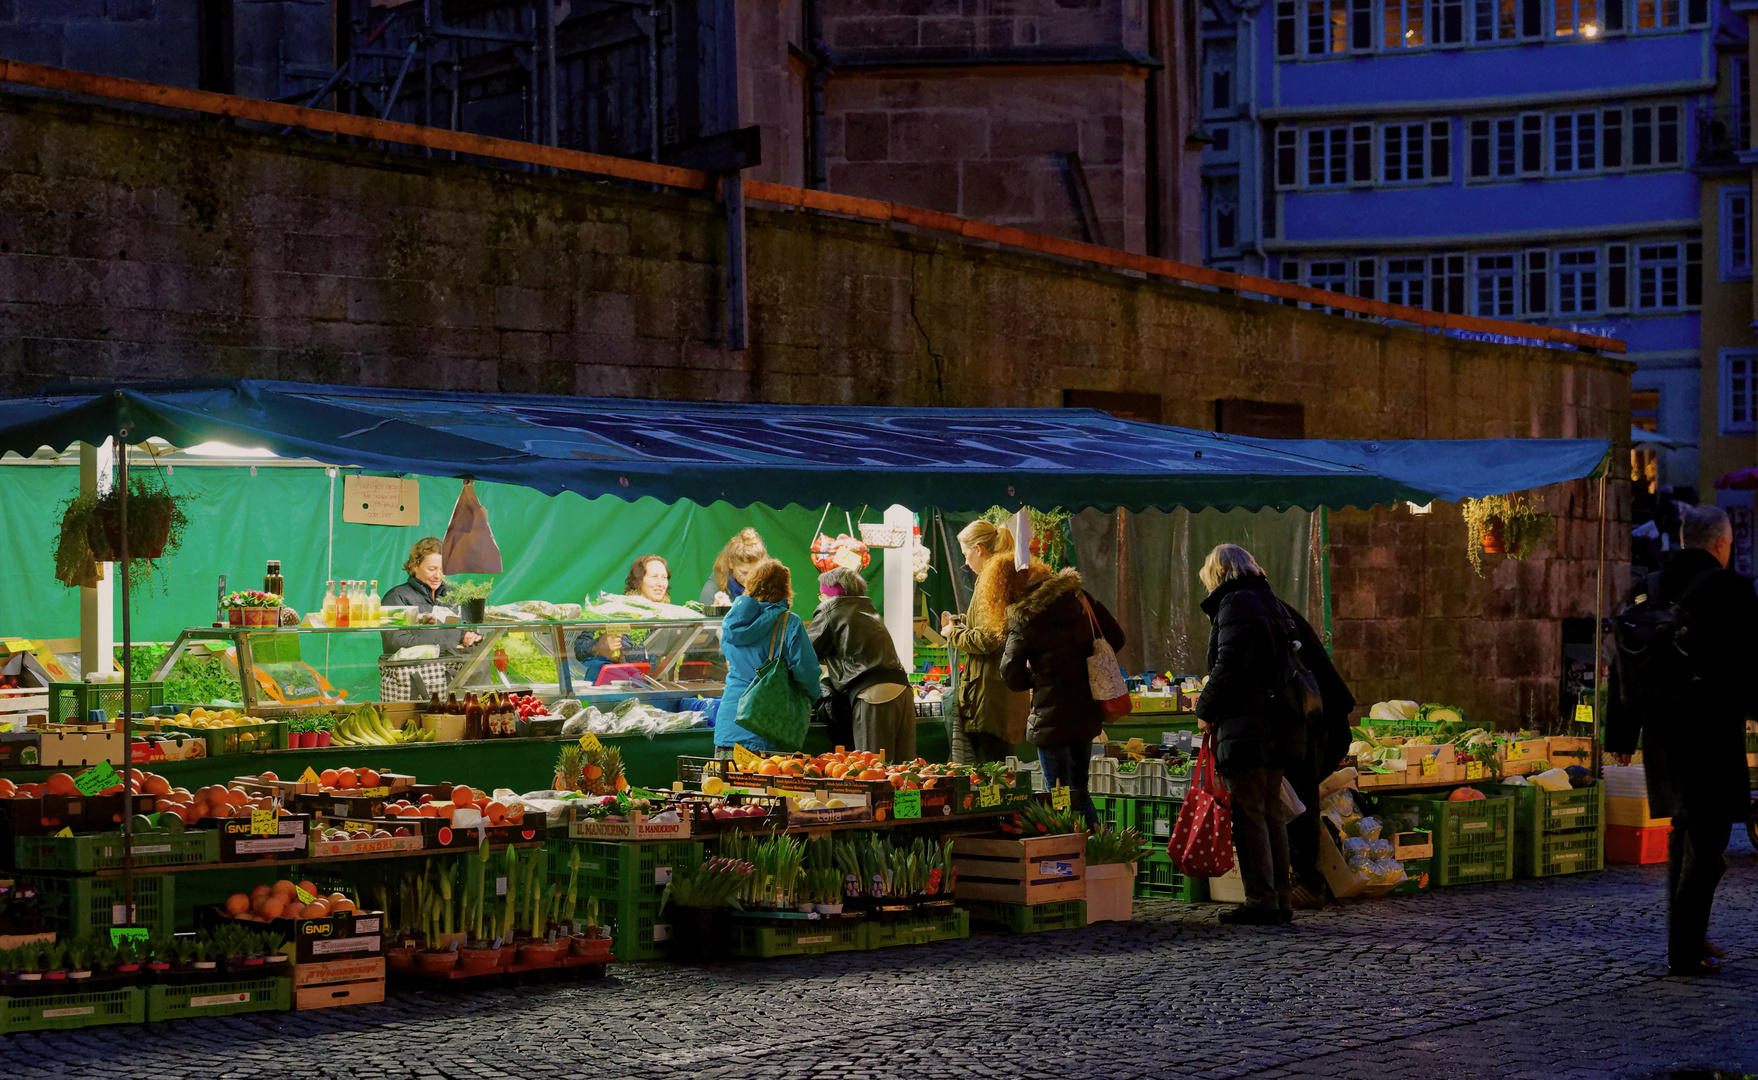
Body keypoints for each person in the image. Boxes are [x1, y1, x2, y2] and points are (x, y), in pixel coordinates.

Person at [1606, 505, 1758, 976]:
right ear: (1720, 543)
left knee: (1683, 832)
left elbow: (1623, 662)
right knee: (1709, 845)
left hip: (1661, 735)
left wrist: (1621, 733)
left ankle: (1685, 936)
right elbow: (1751, 663)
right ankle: (1684, 948)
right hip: (1711, 736)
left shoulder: (1649, 588)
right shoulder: (1732, 590)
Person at [1195, 543, 1304, 926]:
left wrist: (1204, 708)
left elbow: (1230, 666)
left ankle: (1261, 899)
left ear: (1220, 572)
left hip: (1247, 725)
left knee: (1251, 815)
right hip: (1277, 724)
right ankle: (1279, 897)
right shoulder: (1270, 601)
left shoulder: (1235, 604)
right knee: (1270, 812)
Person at [1000, 564, 1124, 830]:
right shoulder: (1080, 599)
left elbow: (1009, 672)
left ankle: (1067, 856)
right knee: (1080, 790)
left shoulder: (1025, 615)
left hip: (1050, 715)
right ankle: (1093, 853)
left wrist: (1037, 678)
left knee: (1059, 795)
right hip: (1085, 710)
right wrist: (1086, 662)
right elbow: (1117, 637)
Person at [1281, 604, 1354, 910]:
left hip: (1310, 717)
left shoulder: (1253, 609)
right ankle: (1307, 880)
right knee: (1300, 795)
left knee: (1299, 795)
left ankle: (1309, 882)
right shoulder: (1272, 605)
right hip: (1314, 714)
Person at [941, 521, 1031, 763]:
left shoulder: (991, 582)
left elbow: (987, 639)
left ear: (979, 549)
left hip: (988, 698)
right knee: (1000, 772)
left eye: (966, 554)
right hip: (1004, 695)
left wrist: (953, 632)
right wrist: (963, 624)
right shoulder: (1008, 576)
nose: (966, 562)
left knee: (990, 779)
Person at [713, 559, 822, 754]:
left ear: (751, 584)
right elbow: (807, 672)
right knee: (767, 783)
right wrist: (814, 698)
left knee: (726, 784)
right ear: (785, 588)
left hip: (729, 726)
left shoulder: (731, 622)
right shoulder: (789, 622)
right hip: (767, 728)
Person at [809, 568, 915, 760]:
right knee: (903, 772)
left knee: (873, 771)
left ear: (831, 594)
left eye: (821, 594)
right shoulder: (868, 610)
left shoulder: (830, 609)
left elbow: (806, 654)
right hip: (903, 691)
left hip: (873, 697)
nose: (820, 599)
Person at [378, 537, 483, 702]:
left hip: (453, 681)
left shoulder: (453, 595)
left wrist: (469, 635)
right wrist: (445, 642)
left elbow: (464, 628)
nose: (438, 575)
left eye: (443, 569)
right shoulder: (396, 597)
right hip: (412, 683)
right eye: (432, 569)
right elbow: (395, 642)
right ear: (415, 566)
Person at [571, 554, 672, 681]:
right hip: (617, 687)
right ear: (639, 580)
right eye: (654, 577)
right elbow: (580, 648)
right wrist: (598, 646)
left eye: (664, 578)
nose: (660, 583)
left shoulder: (669, 616)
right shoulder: (615, 611)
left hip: (652, 687)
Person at [698, 528, 768, 607]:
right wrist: (716, 614)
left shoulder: (770, 587)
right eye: (744, 573)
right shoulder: (711, 591)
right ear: (730, 563)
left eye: (756, 573)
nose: (750, 579)